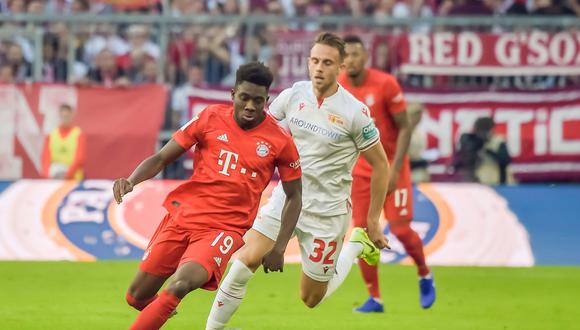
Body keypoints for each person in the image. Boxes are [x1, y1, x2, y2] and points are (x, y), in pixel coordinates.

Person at [206, 32, 390, 330]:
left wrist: (373, 220)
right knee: (244, 261)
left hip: (326, 213)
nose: (319, 68)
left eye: (327, 63)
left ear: (340, 66)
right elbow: (263, 137)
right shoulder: (293, 96)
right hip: (287, 198)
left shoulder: (355, 113)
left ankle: (355, 245)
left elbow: (381, 166)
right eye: (315, 61)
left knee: (311, 298)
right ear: (308, 62)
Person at [114, 62, 303, 330]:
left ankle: (161, 309)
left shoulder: (280, 141)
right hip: (183, 217)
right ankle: (157, 312)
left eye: (258, 100)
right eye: (244, 97)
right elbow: (161, 157)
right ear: (233, 94)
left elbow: (295, 196)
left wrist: (279, 247)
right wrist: (131, 180)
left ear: (266, 100)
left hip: (223, 230)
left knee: (180, 285)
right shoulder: (209, 118)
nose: (250, 105)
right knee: (136, 297)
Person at [338, 34, 436, 312]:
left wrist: (395, 168)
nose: (351, 60)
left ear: (366, 57)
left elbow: (405, 127)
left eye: (356, 54)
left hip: (392, 166)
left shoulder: (385, 84)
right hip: (360, 171)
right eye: (347, 55)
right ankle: (375, 298)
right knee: (361, 233)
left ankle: (424, 274)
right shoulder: (339, 87)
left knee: (402, 230)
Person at [453, 116, 513, 184]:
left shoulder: (498, 141)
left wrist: (487, 151)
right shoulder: (472, 143)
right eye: (480, 131)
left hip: (499, 184)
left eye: (485, 131)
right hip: (479, 184)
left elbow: (505, 160)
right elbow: (460, 164)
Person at [41, 104, 86, 180]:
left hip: (73, 179)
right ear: (59, 116)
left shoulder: (78, 134)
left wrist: (67, 175)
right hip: (54, 178)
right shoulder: (52, 135)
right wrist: (47, 175)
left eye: (67, 116)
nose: (65, 119)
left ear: (72, 115)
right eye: (63, 116)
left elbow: (80, 159)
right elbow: (45, 158)